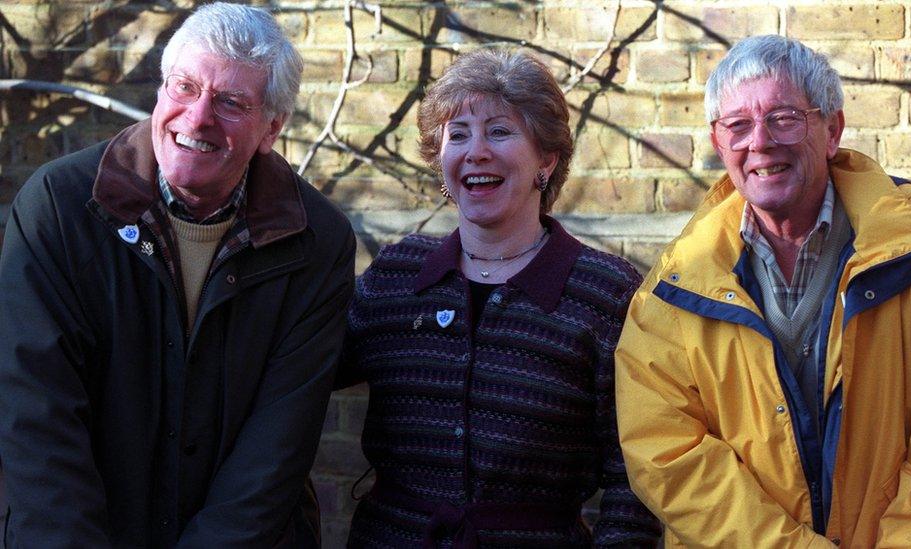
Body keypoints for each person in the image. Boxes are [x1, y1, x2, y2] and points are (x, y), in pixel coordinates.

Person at [0, 3, 355, 546]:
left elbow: (276, 448)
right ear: (161, 90)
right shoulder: (57, 208)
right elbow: (37, 421)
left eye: (231, 103)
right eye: (185, 87)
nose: (198, 118)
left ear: (271, 129)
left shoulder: (318, 243)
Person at [615, 33, 911, 547]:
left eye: (784, 118)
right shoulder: (676, 285)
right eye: (737, 125)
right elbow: (666, 454)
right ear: (720, 145)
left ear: (832, 130)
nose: (759, 141)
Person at [337, 48, 660, 547]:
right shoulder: (398, 278)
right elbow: (297, 372)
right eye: (458, 134)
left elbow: (633, 475)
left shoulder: (604, 293)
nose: (475, 151)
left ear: (546, 161)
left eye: (500, 131)